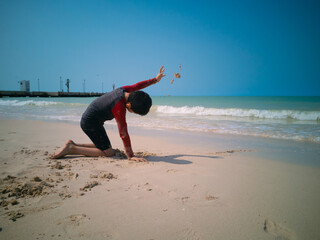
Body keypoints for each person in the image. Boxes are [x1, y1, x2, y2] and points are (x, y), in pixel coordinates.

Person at [50, 66, 166, 162]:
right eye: (133, 112)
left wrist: (155, 80)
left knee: (104, 147)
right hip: (90, 123)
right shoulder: (119, 106)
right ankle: (71, 148)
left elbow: (138, 86)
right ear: (129, 106)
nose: (131, 113)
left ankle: (72, 144)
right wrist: (131, 155)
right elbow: (123, 132)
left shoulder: (125, 91)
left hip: (92, 119)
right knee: (108, 152)